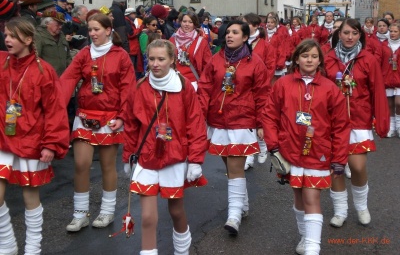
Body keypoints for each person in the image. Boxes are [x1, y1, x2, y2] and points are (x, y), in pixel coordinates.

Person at [263, 39, 350, 255]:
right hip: (289, 151)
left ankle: (313, 247)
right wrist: (274, 146)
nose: (309, 60)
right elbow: (269, 115)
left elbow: (341, 126)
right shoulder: (283, 84)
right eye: (304, 55)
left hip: (318, 152)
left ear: (320, 60)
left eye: (313, 56)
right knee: (298, 197)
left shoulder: (330, 88)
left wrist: (339, 158)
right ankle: (304, 236)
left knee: (312, 197)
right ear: (296, 59)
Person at [123, 39, 207, 255]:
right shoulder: (139, 87)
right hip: (147, 158)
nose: (155, 64)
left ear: (172, 60)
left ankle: (182, 251)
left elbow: (196, 124)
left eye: (161, 59)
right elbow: (131, 125)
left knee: (176, 211)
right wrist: (128, 157)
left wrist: (196, 160)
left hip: (175, 158)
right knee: (149, 217)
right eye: (151, 59)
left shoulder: (185, 87)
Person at [60, 13, 136, 232]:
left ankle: (107, 211)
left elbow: (128, 88)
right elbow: (67, 80)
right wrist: (51, 104)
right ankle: (80, 214)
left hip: (110, 117)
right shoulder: (84, 54)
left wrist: (122, 116)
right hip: (84, 116)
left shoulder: (120, 56)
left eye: (96, 29)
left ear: (108, 30)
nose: (92, 33)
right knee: (81, 164)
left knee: (106, 166)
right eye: (90, 30)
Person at [0, 17, 69, 254]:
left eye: (12, 36)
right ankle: (7, 244)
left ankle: (33, 248)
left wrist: (51, 143)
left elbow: (55, 110)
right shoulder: (1, 63)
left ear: (28, 40)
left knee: (30, 195)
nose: (7, 40)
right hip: (3, 138)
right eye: (6, 35)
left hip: (32, 140)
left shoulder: (44, 71)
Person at [198, 21, 269, 235]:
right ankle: (243, 205)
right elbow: (204, 88)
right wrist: (200, 116)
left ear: (246, 37)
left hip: (242, 121)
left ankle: (234, 215)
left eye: (235, 32)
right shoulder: (215, 60)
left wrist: (261, 123)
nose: (229, 35)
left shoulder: (255, 62)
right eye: (227, 32)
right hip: (218, 121)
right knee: (230, 169)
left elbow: (263, 94)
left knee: (236, 168)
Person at [324, 18, 389, 228]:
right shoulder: (328, 59)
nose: (350, 37)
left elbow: (377, 90)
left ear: (360, 34)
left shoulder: (368, 59)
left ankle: (361, 206)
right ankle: (340, 210)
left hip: (359, 120)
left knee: (358, 166)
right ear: (339, 34)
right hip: (331, 122)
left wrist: (381, 122)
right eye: (345, 33)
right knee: (336, 167)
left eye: (354, 33)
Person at [242, 12, 274, 169]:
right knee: (246, 121)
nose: (244, 26)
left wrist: (262, 81)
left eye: (247, 23)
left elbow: (270, 65)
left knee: (258, 119)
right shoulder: (240, 41)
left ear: (255, 26)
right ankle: (248, 157)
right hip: (243, 86)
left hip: (259, 86)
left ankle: (262, 144)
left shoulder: (265, 44)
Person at [169, 11, 212, 90]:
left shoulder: (202, 42)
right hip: (173, 82)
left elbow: (207, 66)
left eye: (190, 22)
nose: (187, 24)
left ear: (194, 24)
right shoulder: (172, 40)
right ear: (180, 22)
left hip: (193, 84)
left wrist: (204, 85)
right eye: (184, 21)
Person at [35, 11, 71, 77]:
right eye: (58, 24)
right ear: (47, 23)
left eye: (61, 24)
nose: (60, 27)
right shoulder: (38, 36)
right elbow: (36, 59)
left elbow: (68, 57)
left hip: (62, 78)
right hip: (47, 79)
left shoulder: (61, 35)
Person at [381, 22, 400, 137]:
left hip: (398, 78)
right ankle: (391, 127)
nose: (392, 33)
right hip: (387, 77)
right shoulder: (383, 45)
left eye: (395, 31)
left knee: (399, 103)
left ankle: (399, 125)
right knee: (389, 104)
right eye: (391, 31)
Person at [125, 7, 144, 78]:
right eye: (134, 14)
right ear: (130, 14)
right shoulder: (127, 22)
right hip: (131, 49)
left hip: (133, 49)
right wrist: (139, 29)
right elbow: (131, 34)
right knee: (132, 68)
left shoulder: (129, 22)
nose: (135, 15)